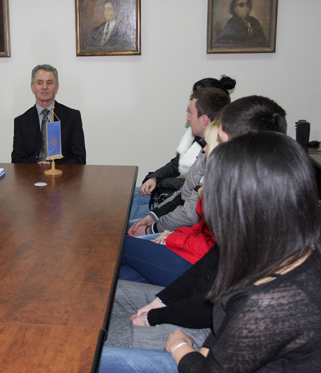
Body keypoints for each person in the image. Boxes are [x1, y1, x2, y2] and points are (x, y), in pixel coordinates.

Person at [100, 132, 321, 372]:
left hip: (192, 354)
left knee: (90, 345)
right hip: (209, 342)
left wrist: (179, 347)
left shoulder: (269, 301)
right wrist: (159, 307)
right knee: (100, 304)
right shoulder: (287, 251)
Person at [119, 122, 221, 286]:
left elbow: (206, 241)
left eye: (208, 144)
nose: (203, 149)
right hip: (184, 247)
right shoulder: (210, 171)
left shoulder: (225, 190)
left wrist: (169, 236)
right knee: (120, 275)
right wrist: (157, 222)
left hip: (192, 267)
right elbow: (197, 225)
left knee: (117, 243)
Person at [129, 76, 236, 222]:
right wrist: (154, 177)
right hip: (177, 202)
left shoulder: (218, 149)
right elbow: (177, 164)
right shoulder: (202, 138)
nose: (188, 116)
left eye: (192, 100)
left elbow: (190, 194)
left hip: (181, 210)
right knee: (131, 195)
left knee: (126, 219)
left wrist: (160, 183)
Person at [12, 64, 86, 165]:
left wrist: (53, 167)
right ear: (32, 87)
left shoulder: (72, 117)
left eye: (50, 83)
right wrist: (37, 167)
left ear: (57, 87)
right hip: (32, 176)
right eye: (39, 83)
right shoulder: (21, 121)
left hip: (63, 176)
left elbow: (79, 158)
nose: (45, 87)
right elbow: (17, 160)